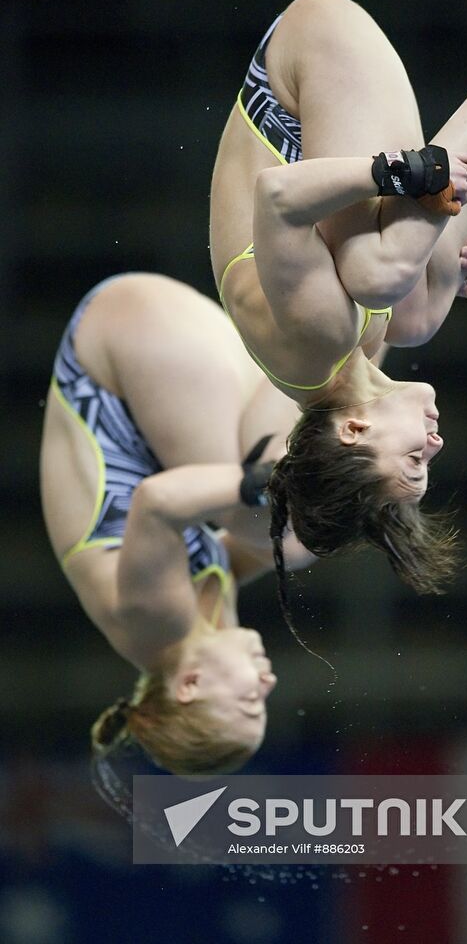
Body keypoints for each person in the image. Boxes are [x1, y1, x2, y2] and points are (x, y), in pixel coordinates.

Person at [209, 0, 467, 601]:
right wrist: (447, 260)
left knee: (381, 275)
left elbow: (276, 198)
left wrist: (404, 173)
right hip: (333, 101)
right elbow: (415, 251)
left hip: (307, 58)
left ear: (352, 432)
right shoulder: (348, 362)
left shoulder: (317, 336)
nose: (435, 444)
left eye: (413, 463)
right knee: (419, 312)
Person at [40, 272, 314, 775]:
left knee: (276, 523)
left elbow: (160, 501)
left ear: (190, 686)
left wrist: (261, 481)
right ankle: (369, 317)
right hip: (155, 352)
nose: (267, 686)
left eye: (249, 703)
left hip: (115, 350)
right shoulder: (203, 626)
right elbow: (251, 550)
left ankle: (342, 314)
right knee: (299, 539)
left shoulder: (155, 622)